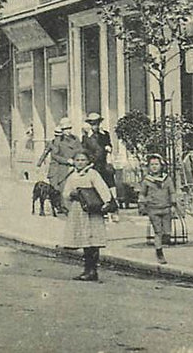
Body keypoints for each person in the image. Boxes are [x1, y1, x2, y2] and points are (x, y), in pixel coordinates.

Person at [62, 151, 115, 282]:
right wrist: (71, 194)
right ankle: (87, 269)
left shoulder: (92, 174)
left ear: (87, 161)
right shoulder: (72, 176)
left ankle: (93, 270)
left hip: (92, 211)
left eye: (83, 160)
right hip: (78, 210)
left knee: (93, 240)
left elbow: (102, 189)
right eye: (77, 160)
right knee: (85, 241)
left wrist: (107, 202)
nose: (80, 162)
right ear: (74, 161)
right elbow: (65, 193)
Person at [138, 154, 177, 264]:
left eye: (157, 164)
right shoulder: (147, 181)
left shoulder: (167, 179)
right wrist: (142, 205)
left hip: (166, 208)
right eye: (152, 165)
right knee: (158, 231)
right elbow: (142, 194)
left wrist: (173, 205)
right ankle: (159, 253)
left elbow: (172, 192)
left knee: (167, 232)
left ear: (161, 166)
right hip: (153, 208)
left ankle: (163, 244)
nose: (154, 167)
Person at [36, 118, 82, 192]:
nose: (68, 131)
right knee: (59, 190)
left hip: (74, 167)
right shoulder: (56, 141)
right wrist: (39, 164)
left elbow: (80, 150)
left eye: (69, 128)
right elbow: (53, 155)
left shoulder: (75, 139)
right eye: (65, 129)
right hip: (60, 169)